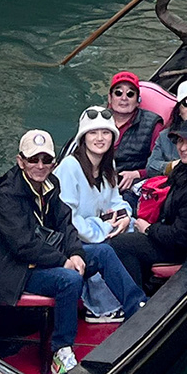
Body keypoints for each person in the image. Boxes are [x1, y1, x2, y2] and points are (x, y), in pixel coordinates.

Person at [0, 128, 145, 374]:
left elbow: (65, 224)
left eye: (46, 159)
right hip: (17, 272)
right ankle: (62, 350)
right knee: (69, 279)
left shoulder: (52, 184)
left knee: (102, 252)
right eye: (33, 159)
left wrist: (76, 253)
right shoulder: (7, 195)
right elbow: (23, 245)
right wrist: (64, 260)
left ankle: (138, 308)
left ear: (53, 162)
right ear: (21, 161)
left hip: (47, 259)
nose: (40, 165)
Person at [110, 115, 187, 285]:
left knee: (120, 244)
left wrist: (149, 229)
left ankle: (135, 296)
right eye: (180, 141)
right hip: (179, 228)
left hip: (186, 249)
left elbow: (180, 237)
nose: (182, 148)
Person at [59, 107, 137, 318]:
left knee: (132, 231)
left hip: (100, 228)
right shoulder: (70, 167)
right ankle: (102, 308)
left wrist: (124, 217)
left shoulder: (107, 165)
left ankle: (133, 294)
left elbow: (116, 201)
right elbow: (68, 218)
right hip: (72, 239)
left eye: (105, 133)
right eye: (93, 133)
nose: (100, 138)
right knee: (106, 248)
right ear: (83, 137)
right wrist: (103, 228)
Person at [107, 69, 162, 189]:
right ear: (110, 98)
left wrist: (137, 174)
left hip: (129, 186)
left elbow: (161, 164)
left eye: (130, 94)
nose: (124, 98)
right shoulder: (99, 118)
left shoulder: (153, 124)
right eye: (118, 93)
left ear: (138, 101)